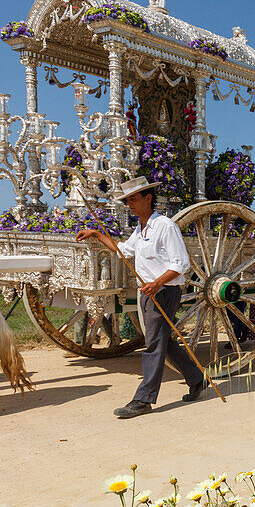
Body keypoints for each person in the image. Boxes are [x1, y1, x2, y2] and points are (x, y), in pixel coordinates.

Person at [76, 176, 204, 418]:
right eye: (127, 200)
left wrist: (156, 283)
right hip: (148, 292)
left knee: (154, 343)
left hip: (163, 292)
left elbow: (181, 264)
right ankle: (197, 379)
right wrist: (95, 234)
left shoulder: (165, 225)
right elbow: (124, 250)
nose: (130, 204)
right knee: (163, 342)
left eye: (134, 199)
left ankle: (144, 399)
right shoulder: (141, 228)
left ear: (148, 198)